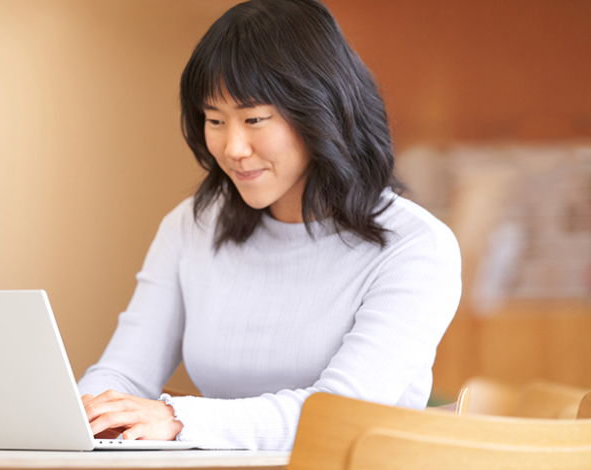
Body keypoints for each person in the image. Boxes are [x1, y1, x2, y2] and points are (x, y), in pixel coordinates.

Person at [76, 0, 461, 451]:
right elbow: (123, 371)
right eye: (215, 120)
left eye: (254, 119)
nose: (233, 147)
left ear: (322, 111)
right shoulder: (191, 227)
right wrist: (85, 410)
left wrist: (179, 418)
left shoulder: (415, 246)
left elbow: (337, 413)